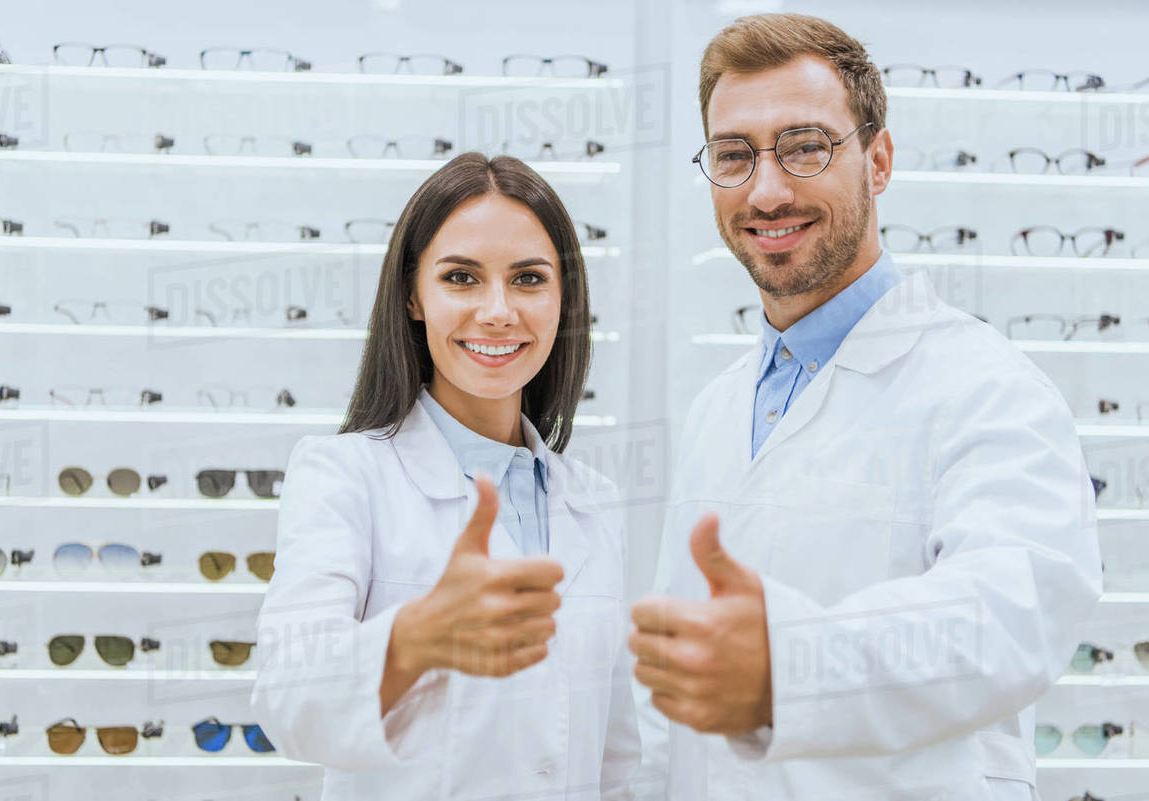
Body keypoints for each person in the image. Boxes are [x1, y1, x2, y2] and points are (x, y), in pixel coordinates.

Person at [627, 13, 1102, 801]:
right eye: (734, 155)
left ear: (877, 160)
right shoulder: (717, 409)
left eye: (806, 146)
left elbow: (1012, 614)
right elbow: (670, 697)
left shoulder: (989, 389)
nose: (767, 189)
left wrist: (790, 667)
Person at [251, 153, 639, 799]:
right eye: (461, 277)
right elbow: (288, 696)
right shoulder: (344, 474)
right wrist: (415, 638)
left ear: (562, 298)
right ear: (413, 295)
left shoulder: (594, 502)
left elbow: (618, 757)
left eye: (528, 279)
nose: (497, 311)